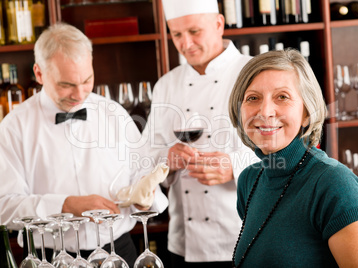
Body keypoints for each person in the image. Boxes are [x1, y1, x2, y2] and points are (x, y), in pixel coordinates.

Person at [0, 22, 168, 267]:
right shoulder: (13, 126)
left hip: (118, 251)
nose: (80, 95)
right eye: (66, 85)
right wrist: (65, 205)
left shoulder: (114, 113)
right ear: (39, 74)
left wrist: (144, 196)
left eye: (87, 80)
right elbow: (4, 206)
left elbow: (143, 174)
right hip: (51, 258)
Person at [228, 49, 358, 267]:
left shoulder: (334, 184)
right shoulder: (249, 180)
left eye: (282, 97)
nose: (265, 111)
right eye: (253, 98)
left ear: (307, 113)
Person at [136, 0, 257, 266]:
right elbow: (144, 157)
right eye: (177, 34)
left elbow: (290, 150)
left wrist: (235, 167)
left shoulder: (256, 73)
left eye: (194, 31)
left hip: (247, 236)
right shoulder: (166, 85)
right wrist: (167, 159)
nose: (185, 43)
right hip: (185, 243)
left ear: (218, 24)